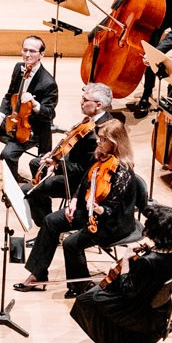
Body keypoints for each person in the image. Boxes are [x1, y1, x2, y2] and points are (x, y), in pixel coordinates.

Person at [18, 117, 145, 292]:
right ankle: (37, 275)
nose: (98, 142)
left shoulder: (123, 172)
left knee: (71, 243)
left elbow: (110, 209)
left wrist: (97, 208)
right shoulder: (101, 158)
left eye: (103, 139)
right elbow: (85, 182)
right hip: (90, 212)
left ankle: (80, 285)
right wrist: (75, 200)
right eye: (99, 137)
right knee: (50, 221)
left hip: (112, 223)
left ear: (115, 143)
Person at [68, 210, 172, 343]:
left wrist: (126, 260)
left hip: (138, 313)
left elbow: (127, 290)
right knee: (96, 295)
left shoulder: (148, 262)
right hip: (158, 309)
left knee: (87, 301)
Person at [0, 36, 60, 185]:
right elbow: (9, 96)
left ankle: (12, 187)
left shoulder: (48, 83)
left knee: (7, 155)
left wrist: (35, 103)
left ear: (42, 54)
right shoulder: (19, 68)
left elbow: (49, 114)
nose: (27, 54)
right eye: (25, 50)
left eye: (32, 51)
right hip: (13, 118)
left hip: (30, 128)